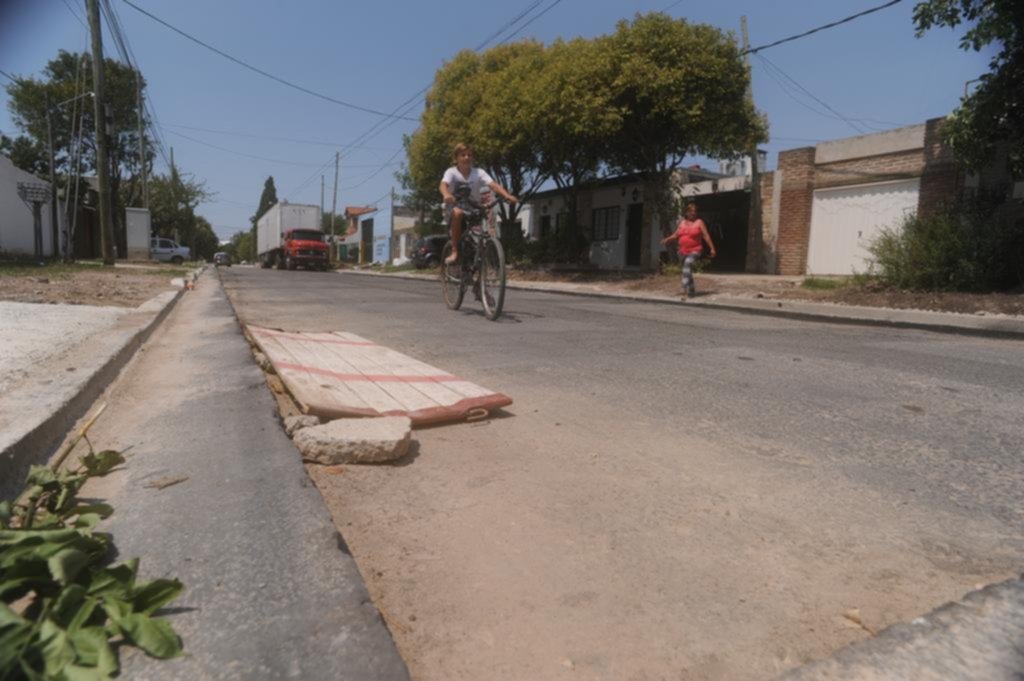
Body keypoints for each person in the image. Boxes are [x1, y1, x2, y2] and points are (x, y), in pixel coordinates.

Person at [439, 143, 517, 264]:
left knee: (478, 232)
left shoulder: (479, 172)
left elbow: (493, 185)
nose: (466, 157)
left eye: (469, 155)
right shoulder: (451, 172)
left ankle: (475, 263)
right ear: (456, 158)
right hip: (453, 206)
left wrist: (507, 195)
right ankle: (454, 251)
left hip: (472, 206)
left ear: (473, 158)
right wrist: (446, 194)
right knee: (458, 212)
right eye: (463, 155)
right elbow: (443, 185)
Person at [661, 202, 717, 298]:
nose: (693, 213)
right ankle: (692, 291)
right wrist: (667, 239)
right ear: (686, 212)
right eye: (690, 211)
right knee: (688, 270)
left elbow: (706, 236)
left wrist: (712, 248)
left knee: (687, 264)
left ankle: (684, 287)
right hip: (683, 251)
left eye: (694, 211)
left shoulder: (699, 222)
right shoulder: (682, 222)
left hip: (696, 250)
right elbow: (676, 235)